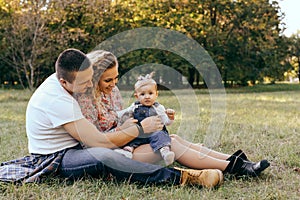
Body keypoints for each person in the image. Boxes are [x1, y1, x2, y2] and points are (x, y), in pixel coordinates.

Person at [0, 48, 223, 189]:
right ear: (63, 82)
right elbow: (97, 141)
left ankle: (227, 163)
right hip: (56, 157)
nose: (89, 85)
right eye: (84, 83)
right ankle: (184, 178)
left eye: (91, 79)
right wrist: (137, 130)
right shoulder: (58, 100)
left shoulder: (70, 80)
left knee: (160, 139)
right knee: (103, 156)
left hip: (76, 147)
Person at [75, 50, 270, 179]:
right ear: (94, 77)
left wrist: (142, 126)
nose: (114, 84)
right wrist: (130, 130)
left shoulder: (112, 92)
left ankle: (238, 161)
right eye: (108, 79)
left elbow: (123, 117)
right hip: (114, 156)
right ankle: (236, 169)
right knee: (171, 144)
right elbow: (92, 142)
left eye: (116, 78)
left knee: (172, 137)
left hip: (128, 142)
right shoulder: (84, 101)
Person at [117, 72, 176, 166]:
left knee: (161, 136)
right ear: (136, 96)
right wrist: (115, 115)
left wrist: (170, 117)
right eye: (143, 94)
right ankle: (127, 151)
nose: (147, 96)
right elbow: (124, 113)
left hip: (154, 133)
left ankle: (165, 152)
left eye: (150, 93)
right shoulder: (135, 106)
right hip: (140, 133)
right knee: (131, 138)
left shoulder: (158, 108)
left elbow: (166, 122)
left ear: (156, 94)